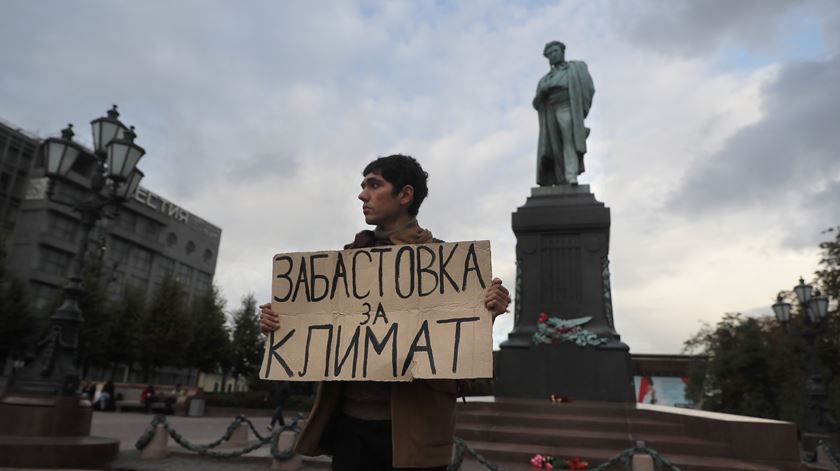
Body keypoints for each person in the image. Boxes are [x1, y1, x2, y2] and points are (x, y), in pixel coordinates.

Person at [259, 154, 511, 471]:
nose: (362, 194)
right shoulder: (346, 261)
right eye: (363, 185)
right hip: (351, 429)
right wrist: (278, 324)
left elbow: (458, 339)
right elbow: (317, 329)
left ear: (404, 195)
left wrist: (489, 310)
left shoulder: (445, 261)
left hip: (416, 431)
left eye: (374, 185)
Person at [533, 41, 595, 186]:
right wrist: (541, 93)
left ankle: (571, 174)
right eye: (549, 54)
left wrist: (581, 111)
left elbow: (589, 88)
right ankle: (560, 179)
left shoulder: (576, 68)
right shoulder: (544, 80)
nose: (553, 55)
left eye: (555, 51)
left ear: (562, 52)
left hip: (567, 106)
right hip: (550, 110)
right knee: (554, 146)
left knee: (569, 141)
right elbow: (536, 104)